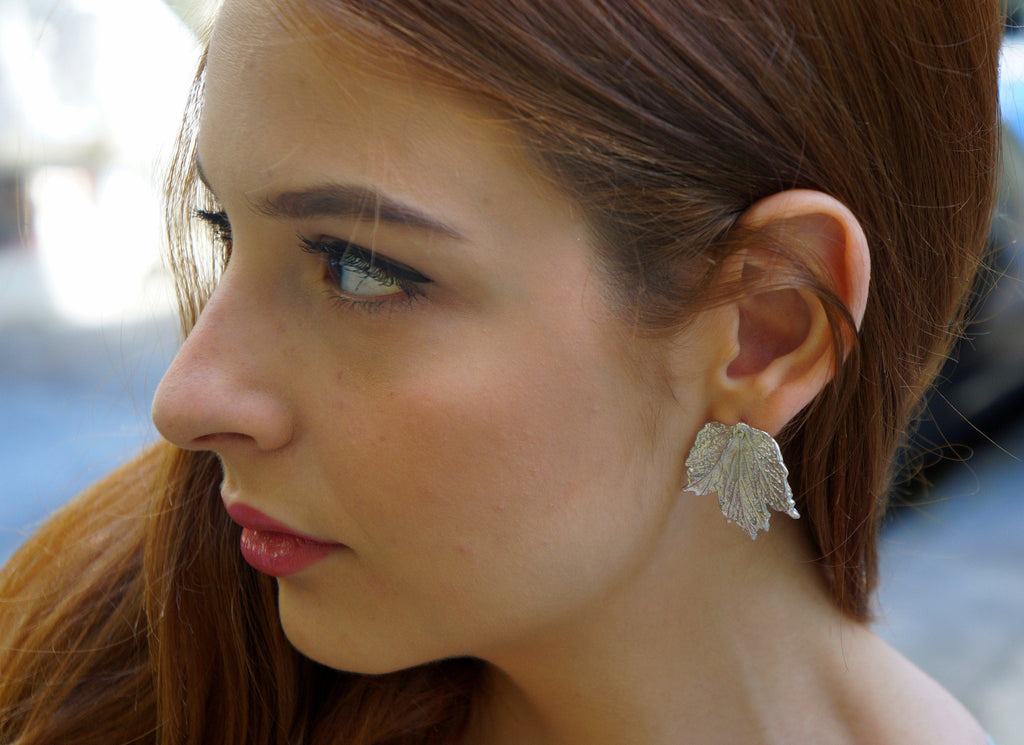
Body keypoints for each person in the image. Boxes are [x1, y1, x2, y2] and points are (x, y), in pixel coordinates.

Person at [0, 1, 1001, 743]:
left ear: (761, 328)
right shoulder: (123, 666)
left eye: (358, 268)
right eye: (225, 230)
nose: (186, 398)